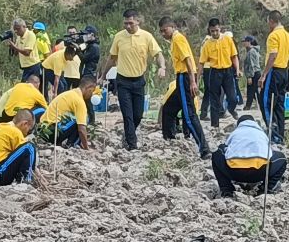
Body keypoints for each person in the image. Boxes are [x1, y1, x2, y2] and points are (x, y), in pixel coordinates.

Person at [105, 12, 159, 150]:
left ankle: (128, 135)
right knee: (127, 115)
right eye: (126, 23)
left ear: (138, 22)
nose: (128, 26)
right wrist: (102, 75)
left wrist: (162, 67)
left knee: (138, 115)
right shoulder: (119, 37)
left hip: (139, 81)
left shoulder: (146, 37)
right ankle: (132, 144)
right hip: (123, 81)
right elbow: (112, 58)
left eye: (131, 23)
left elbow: (157, 54)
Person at [157, 20, 208, 156]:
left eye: (165, 30)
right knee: (169, 108)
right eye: (161, 31)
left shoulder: (178, 39)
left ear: (173, 27)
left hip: (185, 76)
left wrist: (192, 81)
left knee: (189, 114)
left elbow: (188, 61)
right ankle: (169, 139)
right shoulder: (174, 40)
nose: (163, 33)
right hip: (181, 76)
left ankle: (204, 149)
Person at [210, 108, 283, 196]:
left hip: (235, 172)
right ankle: (266, 188)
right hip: (260, 172)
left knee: (216, 153)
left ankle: (227, 190)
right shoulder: (261, 133)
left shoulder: (235, 132)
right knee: (282, 158)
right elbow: (268, 151)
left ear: (239, 124)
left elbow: (226, 149)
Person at [0, 106, 40, 186]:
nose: (27, 133)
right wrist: (38, 175)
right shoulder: (15, 132)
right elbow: (27, 159)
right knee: (29, 147)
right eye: (29, 129)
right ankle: (26, 182)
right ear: (24, 123)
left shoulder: (1, 126)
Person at [45, 78, 95, 148]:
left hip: (45, 130)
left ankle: (67, 143)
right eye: (91, 91)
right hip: (52, 132)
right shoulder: (79, 101)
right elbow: (81, 129)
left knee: (76, 119)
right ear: (88, 88)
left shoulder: (70, 93)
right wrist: (86, 147)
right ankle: (72, 145)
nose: (91, 94)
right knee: (82, 120)